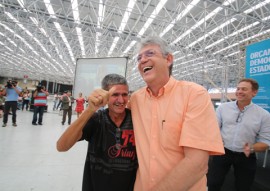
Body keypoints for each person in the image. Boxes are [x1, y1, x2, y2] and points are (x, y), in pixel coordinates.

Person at [128, 36, 224, 191]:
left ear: (168, 59)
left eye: (149, 54)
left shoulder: (194, 94)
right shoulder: (135, 100)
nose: (142, 60)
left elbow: (197, 163)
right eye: (139, 57)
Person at [56, 74, 137, 191]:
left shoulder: (136, 119)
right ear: (104, 95)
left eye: (125, 94)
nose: (121, 100)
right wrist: (90, 110)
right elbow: (61, 146)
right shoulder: (96, 119)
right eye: (115, 94)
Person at [207, 78, 270, 191]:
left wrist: (252, 148)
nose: (239, 91)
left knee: (243, 186)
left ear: (254, 92)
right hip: (222, 151)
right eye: (238, 88)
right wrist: (216, 140)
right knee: (213, 182)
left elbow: (266, 142)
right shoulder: (223, 108)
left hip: (246, 155)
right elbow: (214, 128)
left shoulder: (263, 115)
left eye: (244, 89)